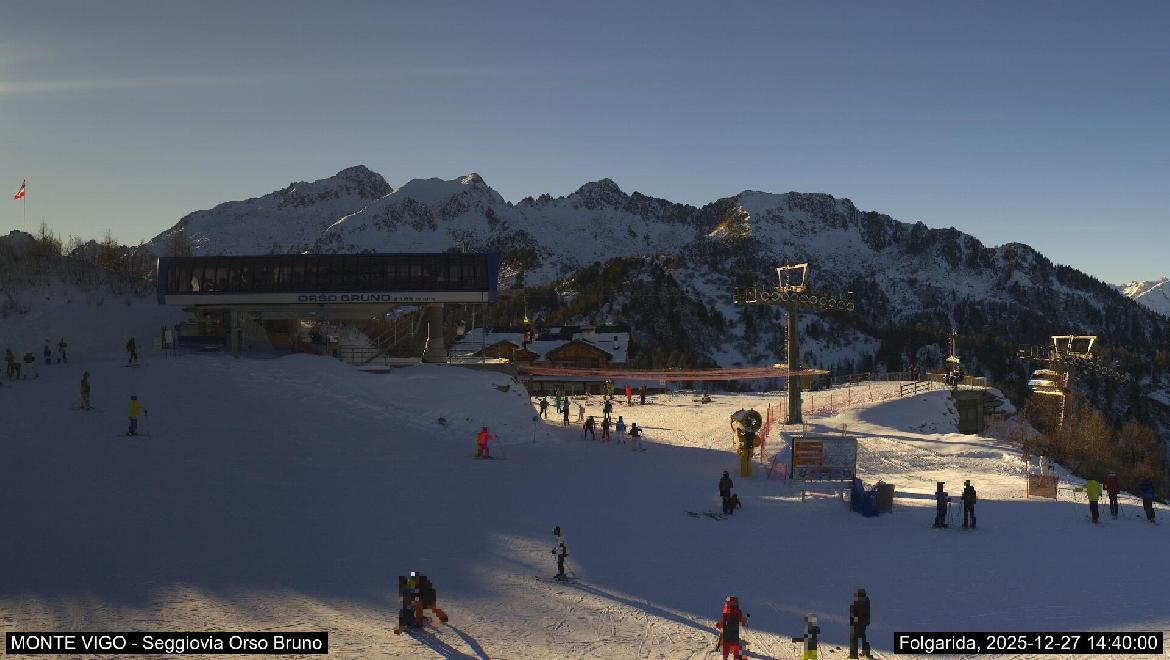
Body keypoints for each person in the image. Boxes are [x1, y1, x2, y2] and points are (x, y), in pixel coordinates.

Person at [715, 595, 748, 660]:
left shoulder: (726, 611)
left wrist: (718, 625)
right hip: (734, 635)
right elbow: (741, 622)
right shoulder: (738, 612)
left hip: (727, 635)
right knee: (737, 649)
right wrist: (743, 621)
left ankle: (724, 656)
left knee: (726, 649)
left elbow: (723, 622)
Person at [849, 589, 871, 659]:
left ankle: (854, 655)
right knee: (863, 637)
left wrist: (853, 621)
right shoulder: (866, 603)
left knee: (854, 638)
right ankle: (865, 652)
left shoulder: (858, 604)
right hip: (863, 624)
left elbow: (855, 615)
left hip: (858, 624)